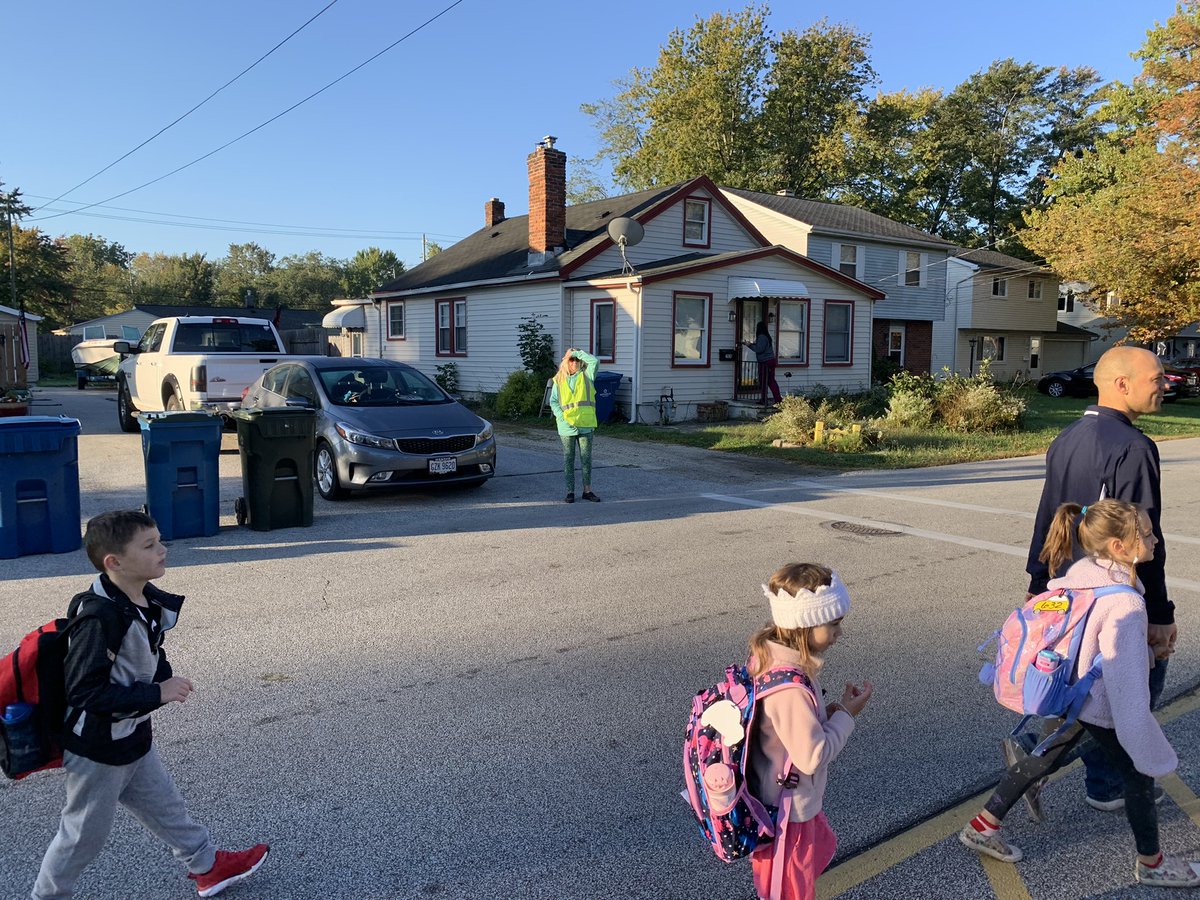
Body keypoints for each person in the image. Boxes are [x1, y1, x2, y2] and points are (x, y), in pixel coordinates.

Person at [961, 499, 1199, 888]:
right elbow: (1125, 680)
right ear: (1120, 548)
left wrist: (1148, 651)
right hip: (1102, 703)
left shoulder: (1083, 576)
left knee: (1046, 757)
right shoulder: (1125, 601)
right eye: (1148, 533)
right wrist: (1139, 731)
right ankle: (1152, 864)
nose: (1156, 540)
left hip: (1076, 694)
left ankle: (982, 826)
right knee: (1137, 774)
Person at [32, 510, 269, 900]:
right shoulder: (99, 617)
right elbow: (85, 693)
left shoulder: (138, 598)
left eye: (159, 540)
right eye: (149, 545)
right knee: (81, 838)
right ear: (115, 562)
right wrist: (158, 693)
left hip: (131, 734)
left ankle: (207, 867)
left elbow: (147, 652)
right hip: (98, 750)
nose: (163, 550)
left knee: (167, 807)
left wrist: (160, 679)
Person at [1024, 346, 1174, 814]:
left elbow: (1048, 516)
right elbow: (1142, 540)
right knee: (1132, 688)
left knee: (1082, 685)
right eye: (1156, 376)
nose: (1164, 384)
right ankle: (1106, 783)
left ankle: (1033, 752)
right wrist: (1160, 615)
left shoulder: (1067, 436)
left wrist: (1036, 581)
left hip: (1071, 589)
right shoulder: (1132, 447)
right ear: (1121, 384)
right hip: (1112, 593)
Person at [746, 563, 873, 900]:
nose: (839, 633)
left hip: (782, 800)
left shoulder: (776, 660)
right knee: (790, 892)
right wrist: (846, 715)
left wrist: (824, 715)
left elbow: (789, 731)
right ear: (804, 626)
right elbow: (811, 756)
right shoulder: (789, 688)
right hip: (789, 813)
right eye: (833, 624)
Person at [549, 347, 601, 503]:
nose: (575, 362)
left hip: (585, 424)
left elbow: (595, 361)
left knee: (586, 459)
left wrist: (576, 352)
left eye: (577, 359)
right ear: (566, 362)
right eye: (571, 359)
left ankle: (587, 491)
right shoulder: (559, 379)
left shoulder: (587, 375)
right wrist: (561, 417)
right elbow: (553, 401)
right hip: (566, 427)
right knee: (568, 459)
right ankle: (570, 492)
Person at [743, 321, 782, 406]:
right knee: (768, 381)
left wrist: (749, 345)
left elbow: (759, 349)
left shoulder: (762, 337)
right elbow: (760, 346)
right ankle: (772, 400)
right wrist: (752, 344)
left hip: (766, 362)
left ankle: (773, 400)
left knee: (767, 381)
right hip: (769, 361)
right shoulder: (766, 337)